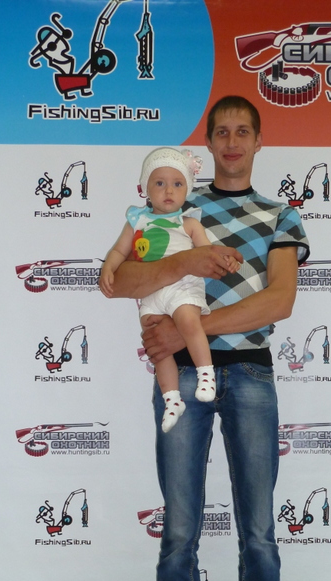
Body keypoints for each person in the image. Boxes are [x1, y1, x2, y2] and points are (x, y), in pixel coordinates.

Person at [102, 95, 310, 581]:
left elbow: (280, 301)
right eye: (222, 132)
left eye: (243, 131)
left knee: (259, 532)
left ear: (259, 141)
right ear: (209, 142)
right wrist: (186, 261)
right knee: (178, 531)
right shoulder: (172, 201)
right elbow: (121, 281)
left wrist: (189, 328)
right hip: (181, 374)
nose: (232, 142)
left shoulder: (281, 215)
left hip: (251, 372)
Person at [100, 147, 239, 432]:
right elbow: (118, 251)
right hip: (151, 293)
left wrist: (226, 260)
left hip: (182, 288)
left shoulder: (189, 223)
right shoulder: (136, 221)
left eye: (177, 184)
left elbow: (208, 253)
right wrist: (108, 268)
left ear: (187, 190)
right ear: (145, 188)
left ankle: (206, 374)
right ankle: (172, 399)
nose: (168, 190)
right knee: (158, 347)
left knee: (188, 322)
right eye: (159, 183)